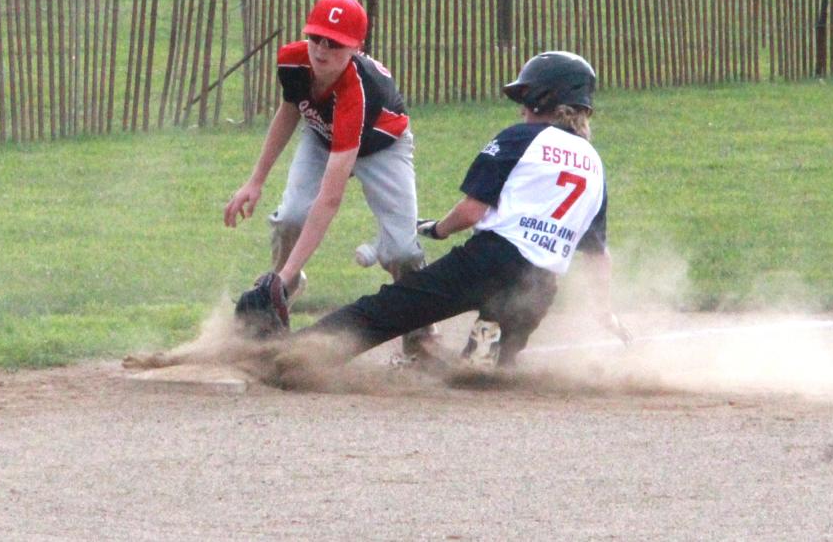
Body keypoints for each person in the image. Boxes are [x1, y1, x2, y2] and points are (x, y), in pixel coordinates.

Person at [256, 50, 630, 371]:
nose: (521, 107)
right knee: (481, 371)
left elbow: (470, 212)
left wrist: (438, 230)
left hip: (488, 264)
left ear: (544, 100)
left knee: (390, 310)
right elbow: (598, 256)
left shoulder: (519, 138)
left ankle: (289, 357)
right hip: (537, 288)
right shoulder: (594, 167)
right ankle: (483, 358)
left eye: (527, 97)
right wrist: (605, 312)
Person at [224, 0, 434, 357]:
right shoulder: (293, 59)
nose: (321, 49)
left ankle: (420, 336)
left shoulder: (358, 92)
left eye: (335, 43)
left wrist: (285, 273)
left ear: (356, 47)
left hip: (383, 146)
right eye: (316, 37)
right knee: (290, 217)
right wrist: (255, 181)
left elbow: (330, 198)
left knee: (400, 249)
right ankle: (285, 285)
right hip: (322, 135)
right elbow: (291, 111)